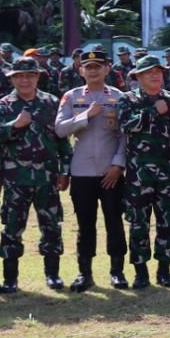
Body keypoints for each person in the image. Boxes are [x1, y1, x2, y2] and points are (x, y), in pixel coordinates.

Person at [0, 57, 71, 291]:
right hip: (16, 179)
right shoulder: (3, 106)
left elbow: (62, 139)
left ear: (37, 76)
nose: (24, 79)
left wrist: (65, 169)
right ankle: (10, 277)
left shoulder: (51, 103)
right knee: (13, 227)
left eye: (30, 75)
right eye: (19, 75)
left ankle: (52, 274)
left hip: (47, 177)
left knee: (52, 225)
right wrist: (14, 125)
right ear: (12, 78)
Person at [55, 49, 128, 292]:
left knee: (114, 222)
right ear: (81, 70)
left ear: (107, 69)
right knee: (85, 224)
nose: (93, 70)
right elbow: (60, 129)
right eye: (89, 66)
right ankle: (84, 273)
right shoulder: (71, 96)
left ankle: (117, 272)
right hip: (82, 171)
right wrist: (86, 114)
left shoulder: (119, 97)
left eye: (99, 65)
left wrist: (118, 164)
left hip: (111, 172)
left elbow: (125, 136)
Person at [115, 55, 170, 289]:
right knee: (138, 224)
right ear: (138, 77)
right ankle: (140, 272)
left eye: (158, 71)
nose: (154, 75)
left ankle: (164, 271)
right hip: (138, 174)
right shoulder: (128, 100)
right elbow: (126, 124)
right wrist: (154, 111)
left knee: (168, 222)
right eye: (148, 72)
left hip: (168, 173)